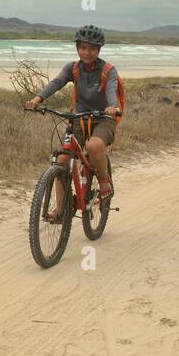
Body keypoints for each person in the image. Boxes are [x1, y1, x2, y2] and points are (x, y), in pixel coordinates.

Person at [23, 24, 119, 220]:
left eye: (92, 48)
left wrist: (113, 107)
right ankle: (61, 209)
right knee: (62, 160)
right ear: (77, 48)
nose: (87, 52)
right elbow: (57, 82)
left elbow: (111, 91)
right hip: (79, 118)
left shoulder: (108, 70)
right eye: (83, 47)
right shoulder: (72, 68)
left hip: (104, 118)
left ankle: (103, 181)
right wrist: (38, 99)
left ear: (99, 49)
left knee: (93, 146)